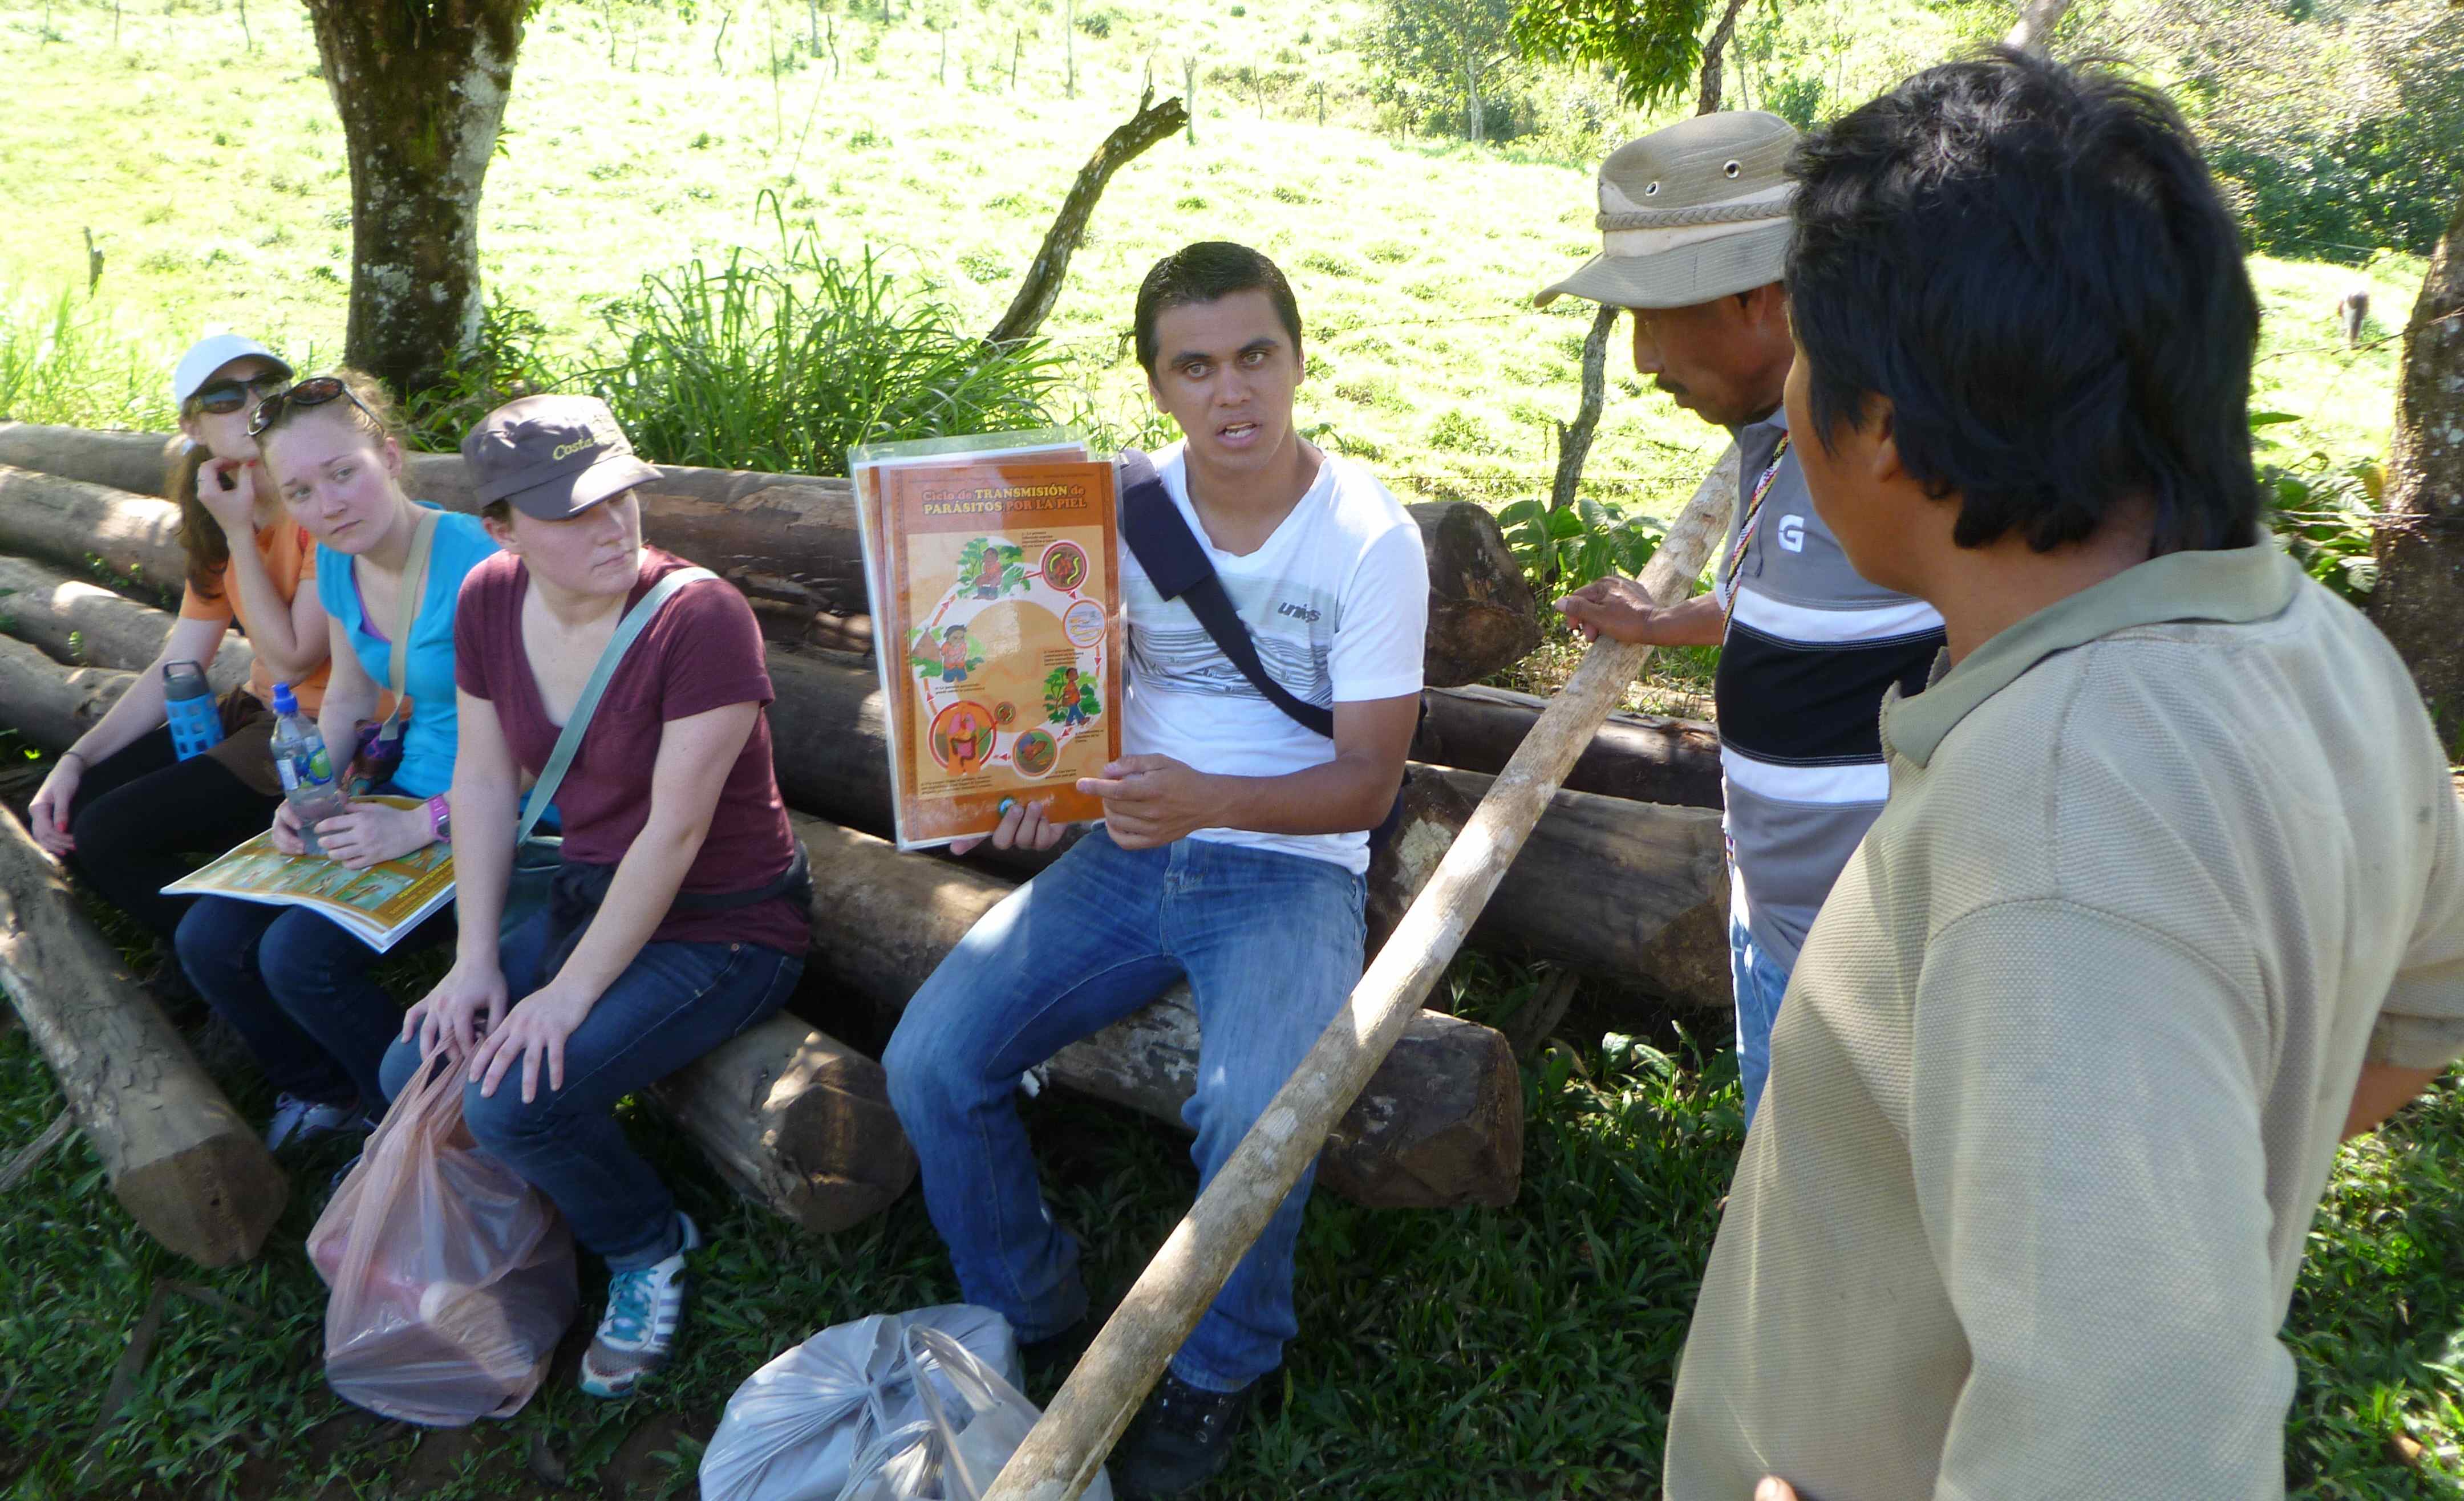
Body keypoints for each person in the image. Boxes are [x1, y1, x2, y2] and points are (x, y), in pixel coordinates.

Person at [1664, 50, 2464, 1500]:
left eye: (1808, 356)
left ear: (1887, 426)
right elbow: (2423, 1003)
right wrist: (2163, 1176)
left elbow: (2146, 1448)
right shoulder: (2318, 645)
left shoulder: (2047, 822)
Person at [885, 242, 1427, 1500]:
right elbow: (1049, 687)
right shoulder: (1106, 514)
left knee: (1254, 1116)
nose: (1232, 392)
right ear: (1158, 385)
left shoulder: (1370, 538)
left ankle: (1222, 1364)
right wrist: (1032, 790)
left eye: (1256, 357)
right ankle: (1031, 1304)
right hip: (1125, 852)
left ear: (1297, 360)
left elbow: (1369, 786)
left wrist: (1208, 800)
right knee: (928, 1059)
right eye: (1197, 367)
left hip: (1293, 871)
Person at [385, 395, 809, 1400]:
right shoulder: (489, 597)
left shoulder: (700, 618)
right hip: (590, 896)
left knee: (509, 1103)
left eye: (620, 496)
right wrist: (476, 958)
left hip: (727, 925)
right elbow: (485, 785)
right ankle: (526, 1234)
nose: (612, 527)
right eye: (574, 512)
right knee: (414, 1060)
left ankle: (646, 1246)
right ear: (503, 530)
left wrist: (566, 997)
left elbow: (676, 832)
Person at [1543, 111, 1944, 1123]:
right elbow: (1810, 613)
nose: (1640, 361)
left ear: (1759, 300)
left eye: (1654, 316)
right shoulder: (1775, 440)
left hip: (1874, 962)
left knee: (1850, 1239)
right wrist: (1667, 619)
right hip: (1771, 916)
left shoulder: (1898, 460)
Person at [174, 370, 495, 1146]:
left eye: (343, 473)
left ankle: (429, 1127)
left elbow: (540, 747)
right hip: (404, 796)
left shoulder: (480, 563)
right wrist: (313, 794)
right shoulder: (344, 560)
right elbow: (349, 698)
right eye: (302, 491)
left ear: (388, 456)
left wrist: (423, 825)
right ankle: (331, 1094)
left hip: (497, 811)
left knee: (298, 959)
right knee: (205, 941)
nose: (328, 505)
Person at [28, 334, 333, 1008]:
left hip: (328, 734)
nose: (255, 404)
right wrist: (76, 758)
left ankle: (224, 972)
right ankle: (205, 951)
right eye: (228, 397)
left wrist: (234, 533)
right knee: (79, 810)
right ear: (192, 426)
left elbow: (296, 657)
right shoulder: (220, 512)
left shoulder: (316, 502)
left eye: (268, 387)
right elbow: (179, 659)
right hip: (260, 715)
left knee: (113, 832)